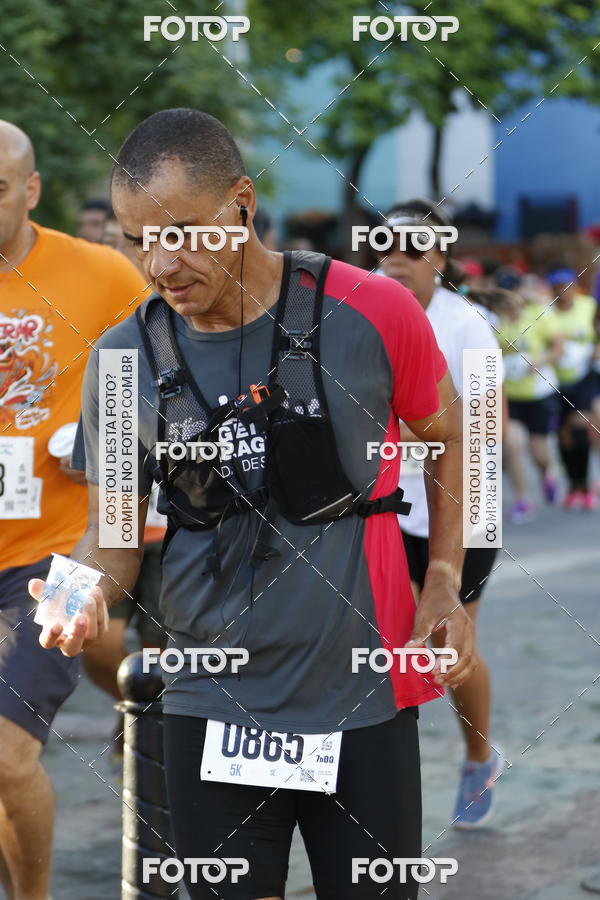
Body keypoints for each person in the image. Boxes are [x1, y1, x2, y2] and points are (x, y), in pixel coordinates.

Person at [34, 108, 476, 900]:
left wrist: (445, 574)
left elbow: (450, 436)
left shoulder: (370, 311)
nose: (159, 263)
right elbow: (112, 536)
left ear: (240, 203)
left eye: (180, 232)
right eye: (137, 240)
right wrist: (76, 597)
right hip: (211, 701)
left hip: (361, 690)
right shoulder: (122, 359)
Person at [0, 120, 147, 899]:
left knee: (5, 755)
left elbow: (169, 361)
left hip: (64, 553)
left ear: (30, 190)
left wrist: (97, 428)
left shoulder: (102, 276)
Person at [379, 199, 503, 829]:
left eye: (414, 247)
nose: (397, 257)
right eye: (386, 244)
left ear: (441, 257)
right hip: (384, 511)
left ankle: (479, 756)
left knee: (448, 651)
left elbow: (487, 436)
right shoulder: (361, 313)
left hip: (463, 508)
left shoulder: (467, 327)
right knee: (387, 644)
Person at [497, 289, 564, 521]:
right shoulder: (495, 319)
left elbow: (558, 348)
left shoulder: (539, 314)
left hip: (539, 393)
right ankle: (522, 499)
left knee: (539, 452)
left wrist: (539, 362)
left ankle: (548, 473)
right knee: (513, 443)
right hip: (510, 395)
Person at [547, 268, 598, 510]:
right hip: (556, 380)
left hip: (584, 377)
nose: (563, 290)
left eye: (566, 285)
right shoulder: (547, 312)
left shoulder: (587, 306)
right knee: (563, 434)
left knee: (580, 425)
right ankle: (572, 484)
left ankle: (586, 485)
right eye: (557, 286)